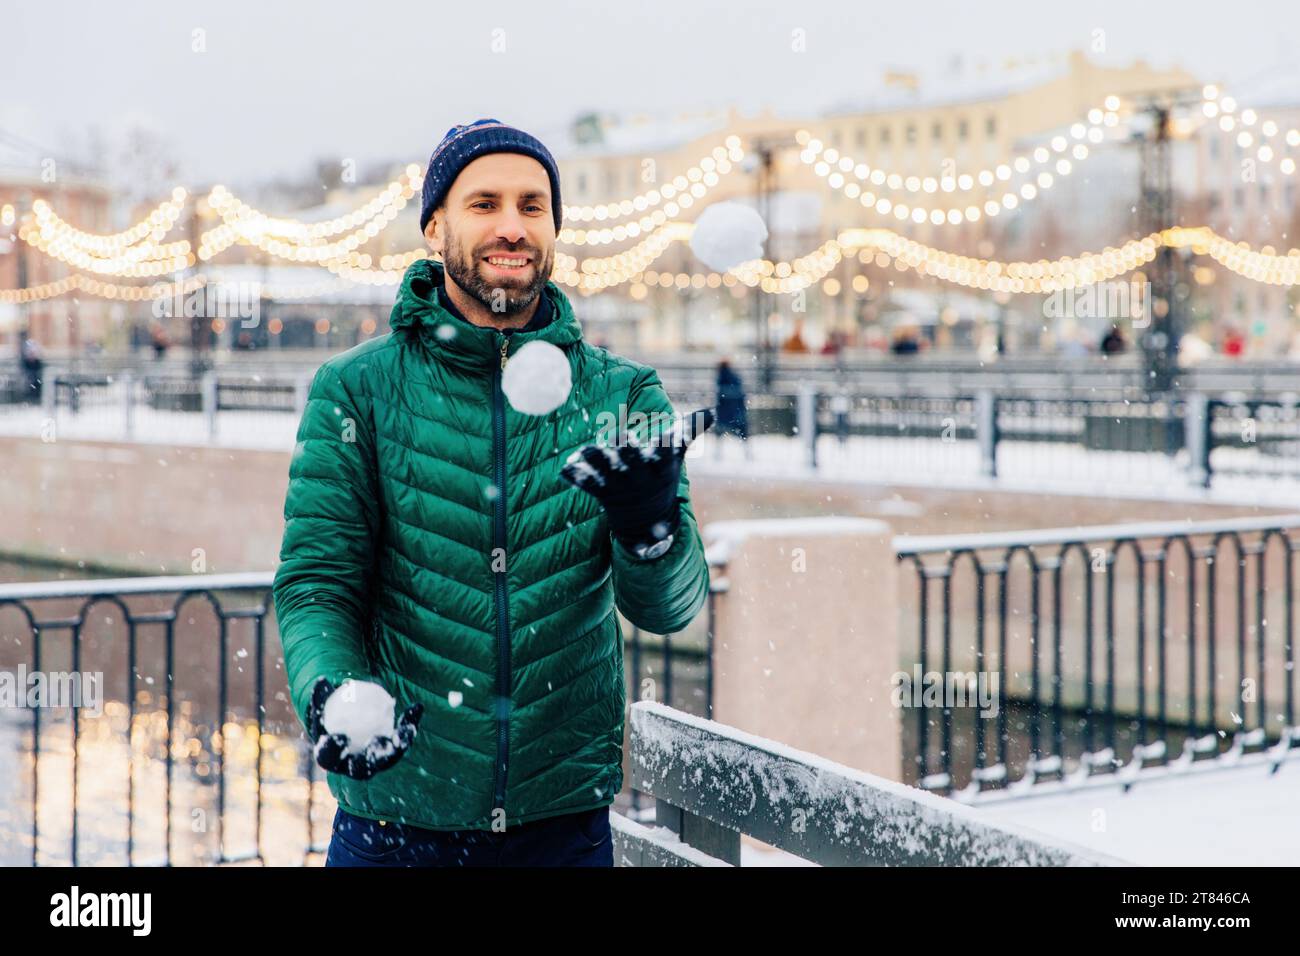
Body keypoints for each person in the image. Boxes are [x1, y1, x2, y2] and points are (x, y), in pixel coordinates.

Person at [272, 119, 713, 868]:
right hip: (398, 825)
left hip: (562, 828)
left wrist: (652, 533)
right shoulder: (358, 389)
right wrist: (334, 693)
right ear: (435, 224)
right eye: (484, 204)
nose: (512, 226)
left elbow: (669, 609)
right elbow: (318, 586)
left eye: (532, 206)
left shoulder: (623, 393)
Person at [714, 357, 751, 459]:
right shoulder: (733, 378)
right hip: (736, 412)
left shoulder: (722, 379)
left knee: (720, 433)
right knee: (742, 434)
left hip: (726, 412)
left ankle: (717, 455)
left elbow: (721, 397)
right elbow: (740, 395)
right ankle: (747, 454)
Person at [19, 328, 43, 404]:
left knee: (35, 382)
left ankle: (34, 397)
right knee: (30, 382)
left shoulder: (37, 362)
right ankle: (30, 397)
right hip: (29, 375)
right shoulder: (26, 362)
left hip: (34, 375)